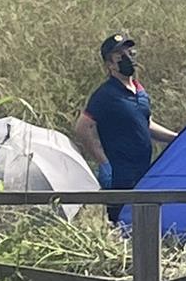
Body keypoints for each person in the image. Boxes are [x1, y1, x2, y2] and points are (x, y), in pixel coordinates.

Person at [75, 33, 178, 222]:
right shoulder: (105, 94)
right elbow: (83, 127)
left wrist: (177, 138)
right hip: (120, 174)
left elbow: (146, 124)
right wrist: (103, 162)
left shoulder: (140, 91)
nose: (128, 58)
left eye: (129, 52)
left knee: (144, 222)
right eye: (120, 55)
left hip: (144, 172)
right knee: (121, 224)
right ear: (110, 65)